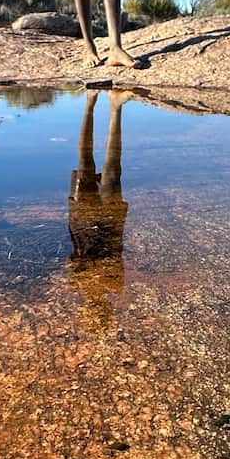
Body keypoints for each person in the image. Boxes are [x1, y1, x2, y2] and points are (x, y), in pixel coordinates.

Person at [66, 90, 129, 331]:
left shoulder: (75, 284)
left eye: (92, 314)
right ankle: (115, 107)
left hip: (82, 222)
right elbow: (117, 254)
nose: (95, 309)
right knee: (113, 169)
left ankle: (90, 104)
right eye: (100, 314)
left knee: (85, 163)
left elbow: (73, 258)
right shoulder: (115, 286)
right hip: (110, 225)